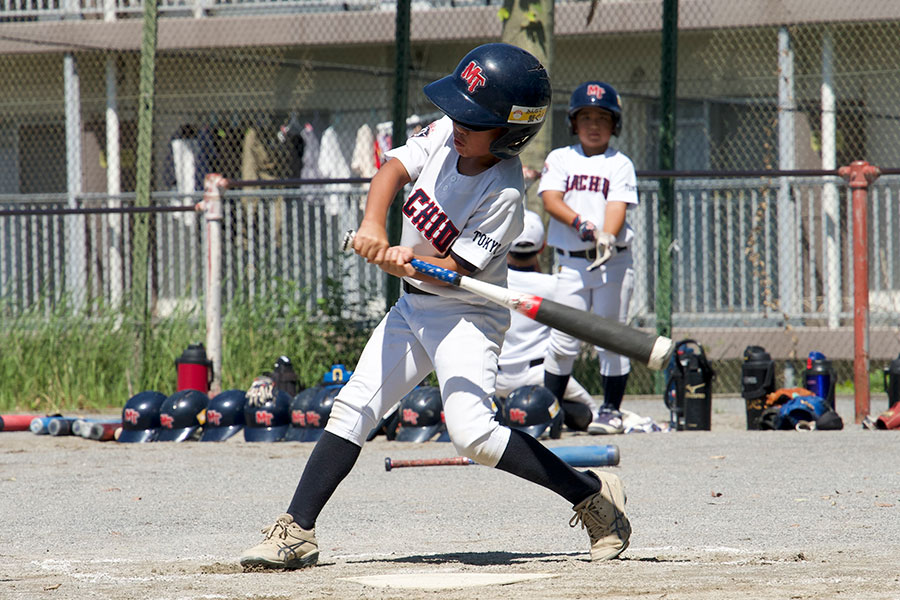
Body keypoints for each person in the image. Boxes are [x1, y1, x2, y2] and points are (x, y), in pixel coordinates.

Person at [238, 43, 630, 571]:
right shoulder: (447, 133)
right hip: (411, 308)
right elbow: (392, 170)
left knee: (472, 435)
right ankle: (297, 530)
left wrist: (407, 258)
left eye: (474, 117)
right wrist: (376, 226)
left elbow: (453, 268)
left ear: (510, 133)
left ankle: (591, 496)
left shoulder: (505, 194)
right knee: (354, 407)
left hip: (466, 316)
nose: (457, 122)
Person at [538, 81, 639, 436]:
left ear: (615, 124)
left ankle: (611, 411)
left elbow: (617, 206)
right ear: (573, 123)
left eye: (602, 117)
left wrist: (607, 235)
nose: (593, 125)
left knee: (611, 337)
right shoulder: (561, 158)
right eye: (586, 117)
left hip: (612, 261)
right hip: (572, 261)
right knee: (564, 337)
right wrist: (581, 223)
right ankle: (549, 411)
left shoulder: (620, 163)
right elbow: (551, 199)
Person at [496, 208, 601, 432]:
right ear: (542, 247)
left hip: (497, 379)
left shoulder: (491, 282)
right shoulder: (555, 286)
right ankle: (547, 412)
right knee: (592, 414)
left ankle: (509, 411)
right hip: (540, 376)